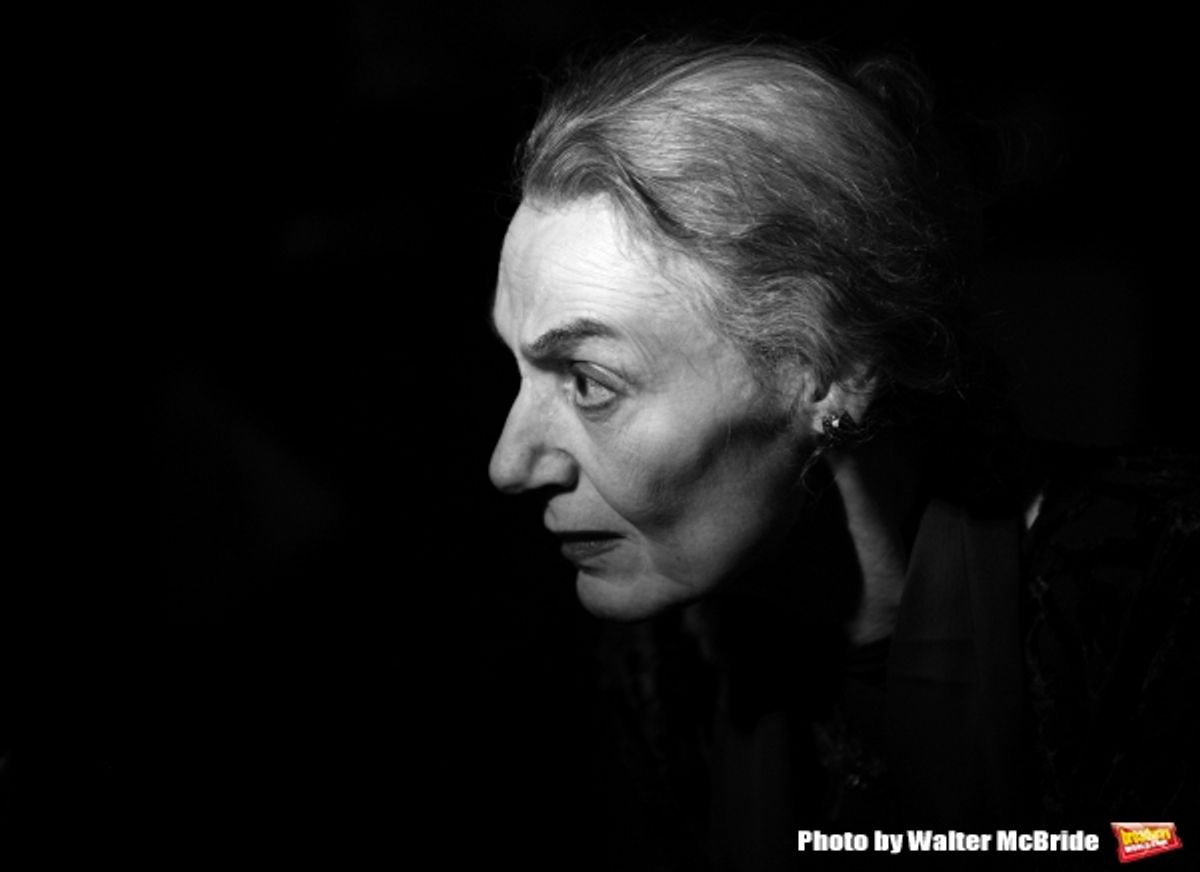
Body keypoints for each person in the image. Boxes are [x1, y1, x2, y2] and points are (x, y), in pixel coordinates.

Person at [487, 37, 1197, 870]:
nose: (509, 462)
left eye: (588, 381)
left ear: (831, 369)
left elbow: (1158, 847)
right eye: (520, 367)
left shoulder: (1157, 590)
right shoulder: (660, 658)